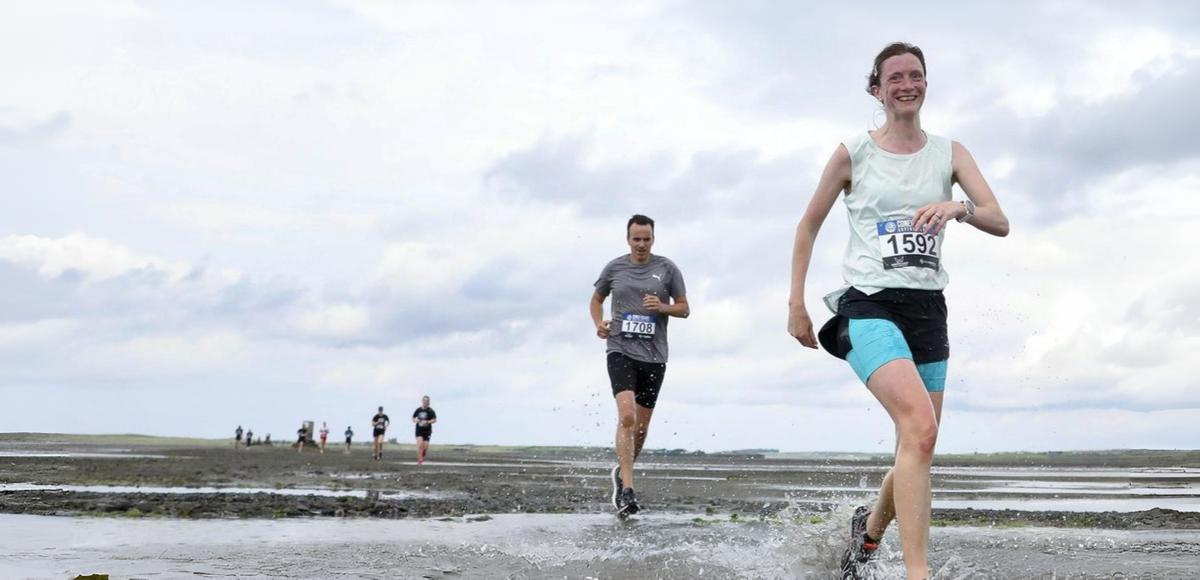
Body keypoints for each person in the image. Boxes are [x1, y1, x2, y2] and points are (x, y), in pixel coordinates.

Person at [787, 42, 1009, 579]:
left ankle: (865, 538)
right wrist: (795, 303)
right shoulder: (853, 153)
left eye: (915, 75)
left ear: (925, 85)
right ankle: (918, 574)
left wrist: (959, 207)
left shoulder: (950, 153)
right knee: (921, 428)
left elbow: (1000, 220)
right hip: (869, 306)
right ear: (877, 90)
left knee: (918, 442)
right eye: (895, 78)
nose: (906, 84)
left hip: (928, 309)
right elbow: (808, 224)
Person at [590, 214, 690, 517]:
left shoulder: (667, 268)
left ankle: (622, 473)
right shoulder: (615, 267)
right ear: (628, 239)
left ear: (653, 239)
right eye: (637, 239)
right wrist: (599, 324)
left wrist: (663, 307)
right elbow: (596, 300)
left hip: (654, 355)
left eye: (647, 239)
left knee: (642, 427)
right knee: (628, 415)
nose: (642, 244)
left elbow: (685, 309)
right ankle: (629, 490)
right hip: (620, 350)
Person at [412, 396, 437, 465]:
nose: (425, 403)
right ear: (422, 401)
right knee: (420, 445)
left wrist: (427, 422)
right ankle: (420, 461)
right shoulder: (418, 410)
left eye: (427, 401)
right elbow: (413, 418)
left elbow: (434, 420)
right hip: (419, 430)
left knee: (425, 447)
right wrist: (416, 420)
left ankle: (422, 455)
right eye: (424, 401)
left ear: (429, 402)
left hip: (427, 431)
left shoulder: (431, 411)